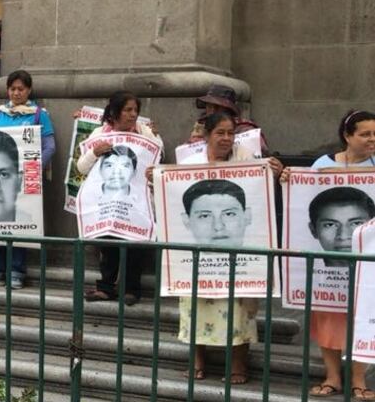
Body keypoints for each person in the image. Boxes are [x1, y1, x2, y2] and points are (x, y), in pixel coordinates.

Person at [174, 112, 283, 383]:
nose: (226, 138)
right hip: (201, 256)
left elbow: (259, 194)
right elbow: (173, 196)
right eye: (220, 133)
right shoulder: (189, 163)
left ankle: (238, 366)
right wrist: (157, 180)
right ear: (206, 135)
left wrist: (276, 173)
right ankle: (198, 360)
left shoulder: (246, 158)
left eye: (230, 133)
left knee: (238, 307)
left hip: (237, 255)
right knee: (196, 305)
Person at [287, 109, 375, 401]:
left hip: (365, 264)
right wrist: (288, 178)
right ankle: (333, 376)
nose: (372, 140)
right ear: (347, 136)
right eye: (365, 134)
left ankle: (359, 380)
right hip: (327, 274)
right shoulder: (322, 165)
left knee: (362, 315)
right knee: (327, 317)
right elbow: (302, 195)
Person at [77, 91, 161, 305]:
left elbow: (157, 163)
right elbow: (81, 168)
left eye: (135, 110)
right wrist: (95, 153)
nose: (133, 115)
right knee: (108, 243)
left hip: (136, 202)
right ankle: (106, 287)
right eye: (128, 110)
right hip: (107, 202)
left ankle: (131, 289)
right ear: (114, 112)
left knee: (135, 244)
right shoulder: (99, 134)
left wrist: (154, 173)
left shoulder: (147, 135)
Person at [0, 70, 56, 288]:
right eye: (12, 89)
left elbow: (49, 147)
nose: (16, 93)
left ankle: (16, 269)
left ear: (29, 91)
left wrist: (32, 169)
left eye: (21, 89)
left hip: (25, 179)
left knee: (21, 221)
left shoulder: (38, 115)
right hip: (0, 179)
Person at [187, 84, 269, 155]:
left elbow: (261, 154)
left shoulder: (245, 128)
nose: (212, 111)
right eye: (209, 106)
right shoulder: (201, 127)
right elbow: (186, 156)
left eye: (216, 107)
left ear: (228, 109)